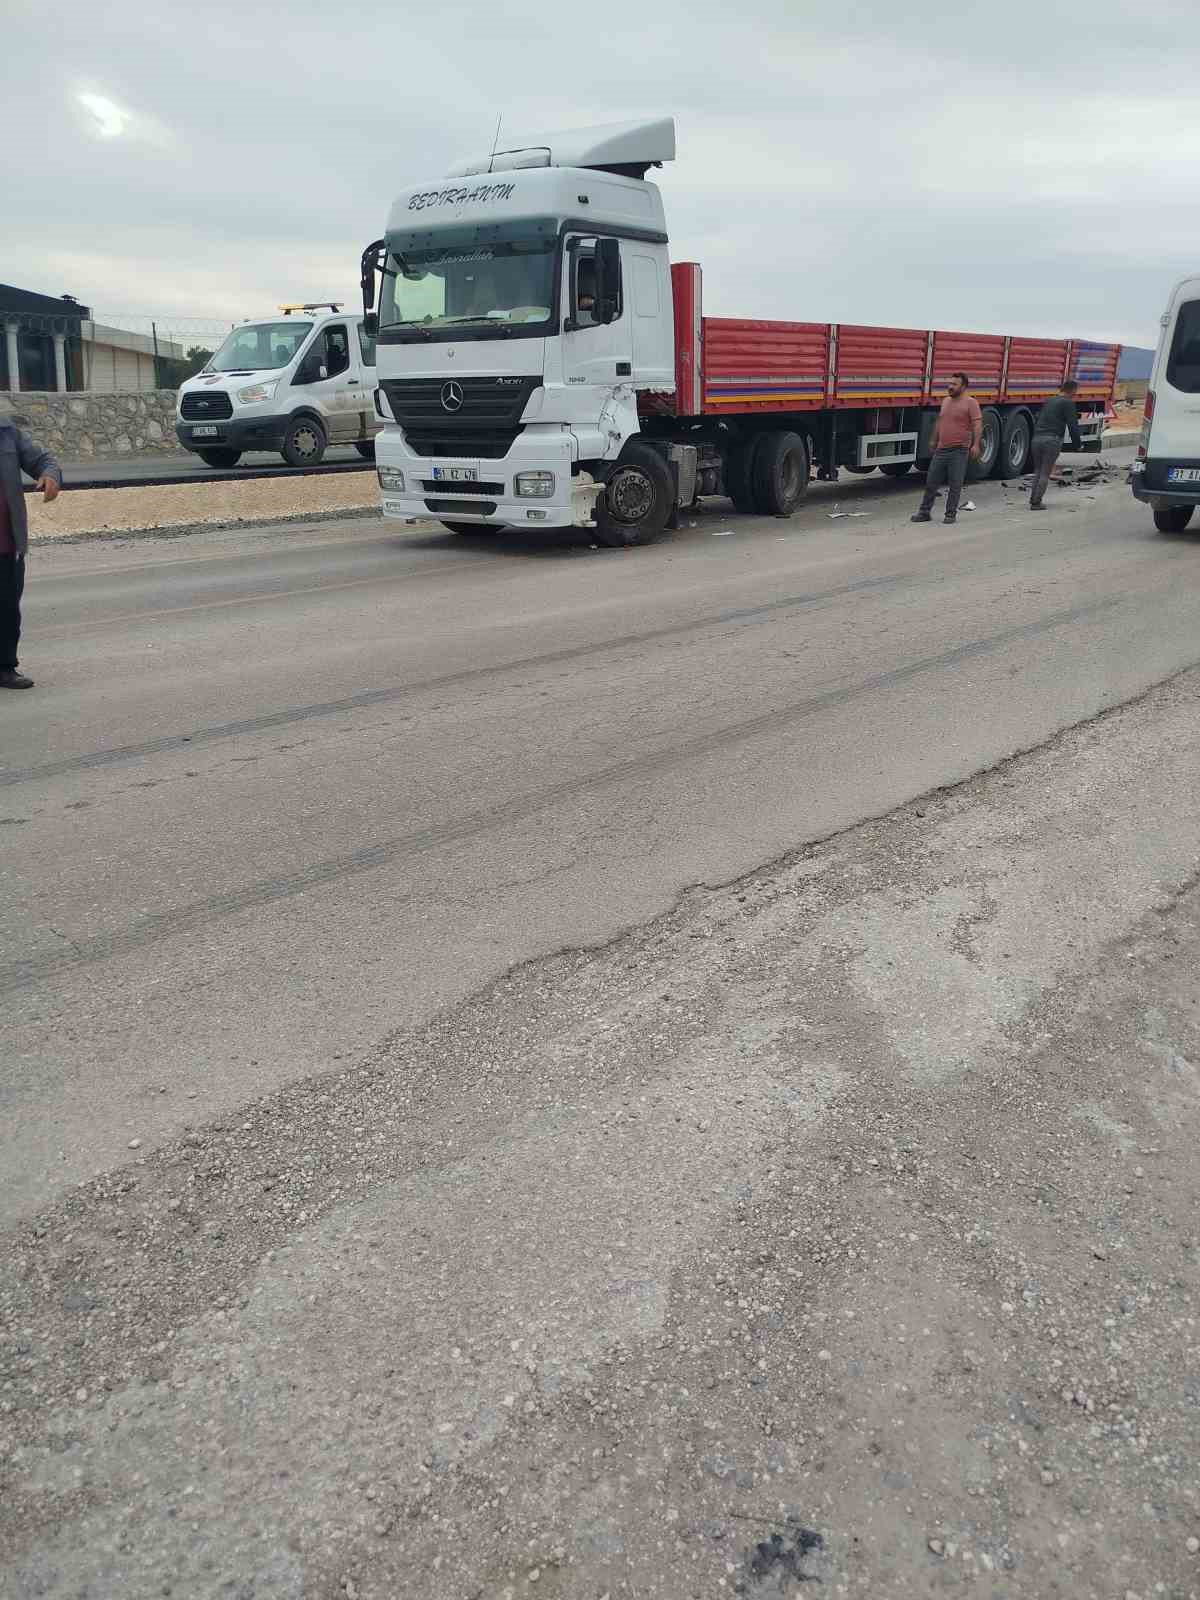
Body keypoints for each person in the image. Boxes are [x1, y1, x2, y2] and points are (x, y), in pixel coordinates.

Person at [0, 417, 62, 690]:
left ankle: (5, 668)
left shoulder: (6, 432)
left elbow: (42, 459)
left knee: (7, 609)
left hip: (6, 542)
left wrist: (50, 475)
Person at [911, 372, 982, 526]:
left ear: (963, 387)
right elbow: (939, 421)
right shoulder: (946, 401)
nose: (950, 386)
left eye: (954, 384)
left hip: (959, 450)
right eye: (950, 383)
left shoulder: (971, 403)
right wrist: (933, 440)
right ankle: (924, 512)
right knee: (931, 481)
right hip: (942, 449)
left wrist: (976, 444)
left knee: (955, 483)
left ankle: (950, 514)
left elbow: (977, 424)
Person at [1029, 379, 1082, 510]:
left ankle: (1033, 498)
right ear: (1073, 390)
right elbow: (1073, 425)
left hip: (1036, 439)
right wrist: (1077, 444)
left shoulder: (1049, 400)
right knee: (1045, 472)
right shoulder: (1068, 403)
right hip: (1051, 440)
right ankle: (1036, 502)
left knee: (1038, 470)